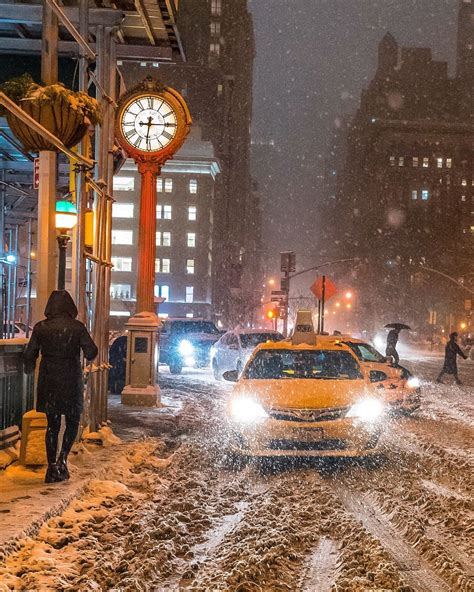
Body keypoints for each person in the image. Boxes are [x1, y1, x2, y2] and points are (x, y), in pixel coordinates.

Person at [24, 291, 98, 483]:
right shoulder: (77, 328)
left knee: (52, 424)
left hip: (49, 380)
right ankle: (63, 460)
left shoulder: (41, 328)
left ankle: (51, 467)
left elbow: (29, 354)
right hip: (71, 379)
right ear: (70, 307)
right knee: (72, 421)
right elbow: (91, 352)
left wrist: (29, 367)